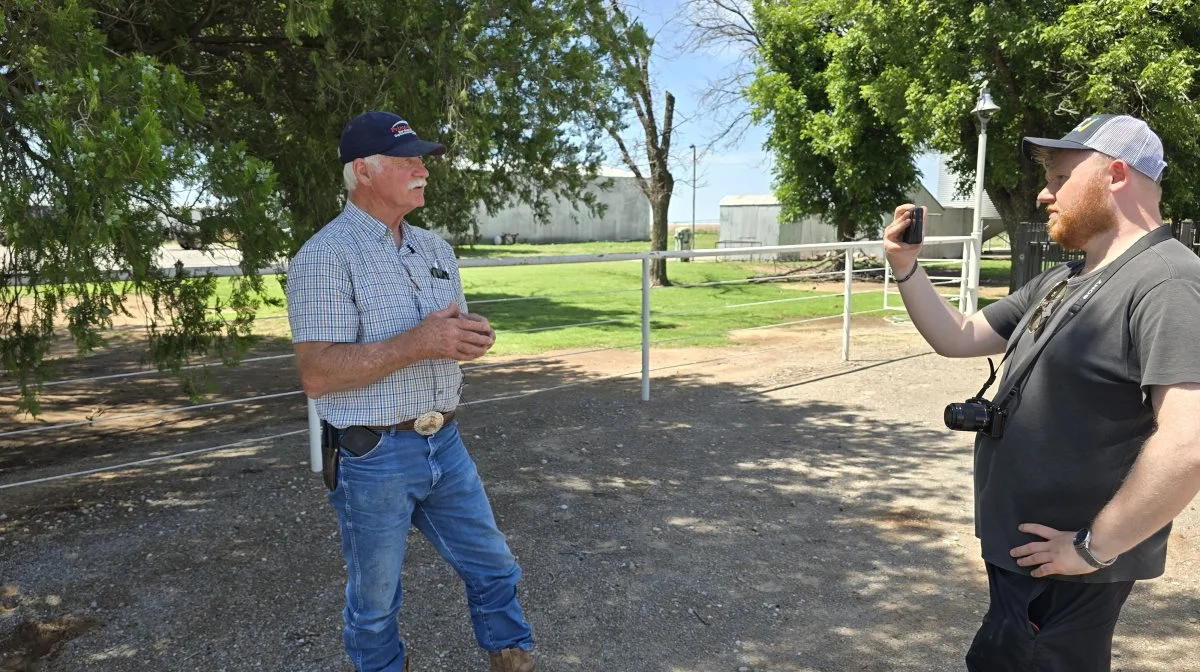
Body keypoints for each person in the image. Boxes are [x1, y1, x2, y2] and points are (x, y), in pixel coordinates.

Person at [884, 114, 1200, 671]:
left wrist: (1092, 547)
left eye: (1059, 176)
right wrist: (906, 268)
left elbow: (1189, 442)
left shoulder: (1167, 282)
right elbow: (959, 337)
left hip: (1065, 565)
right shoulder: (1069, 276)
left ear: (1117, 175)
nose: (1043, 192)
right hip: (1031, 557)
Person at [286, 111, 537, 672]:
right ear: (364, 171)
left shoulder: (435, 250)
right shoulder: (324, 256)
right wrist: (422, 341)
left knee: (494, 568)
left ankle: (514, 662)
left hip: (443, 440)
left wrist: (467, 339)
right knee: (375, 603)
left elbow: (444, 336)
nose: (423, 168)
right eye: (409, 160)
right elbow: (318, 374)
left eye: (422, 158)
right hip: (372, 453)